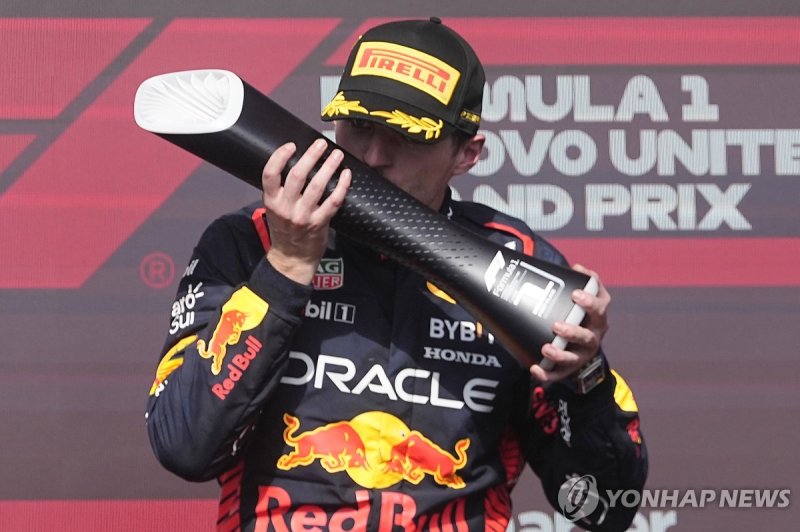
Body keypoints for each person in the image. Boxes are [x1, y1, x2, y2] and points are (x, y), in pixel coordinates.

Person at [145, 17, 647, 532]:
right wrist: (287, 267)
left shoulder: (518, 264)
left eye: (407, 136)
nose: (373, 156)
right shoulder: (248, 240)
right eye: (359, 126)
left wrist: (584, 379)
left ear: (466, 154)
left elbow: (604, 507)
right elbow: (185, 447)